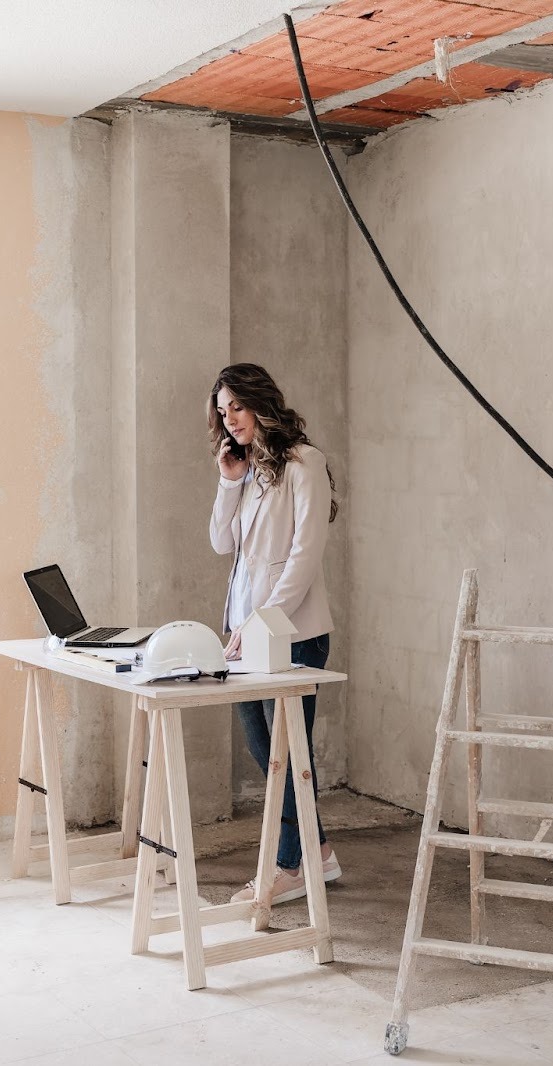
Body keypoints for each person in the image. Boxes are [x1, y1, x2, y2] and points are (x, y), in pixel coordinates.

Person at [207, 363, 341, 904]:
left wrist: (263, 623)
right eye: (222, 411)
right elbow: (222, 543)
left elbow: (305, 556)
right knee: (273, 758)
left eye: (236, 407)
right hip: (242, 636)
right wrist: (228, 480)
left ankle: (287, 867)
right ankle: (320, 852)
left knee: (289, 755)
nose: (229, 419)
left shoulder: (305, 463)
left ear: (261, 403)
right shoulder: (249, 470)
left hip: (290, 635)